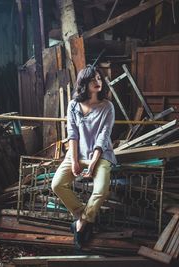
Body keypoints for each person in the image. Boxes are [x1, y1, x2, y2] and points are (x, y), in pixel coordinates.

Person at [51, 65, 117, 249]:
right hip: (76, 153)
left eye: (99, 78)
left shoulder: (107, 107)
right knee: (57, 184)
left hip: (101, 154)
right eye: (93, 79)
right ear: (84, 83)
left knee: (101, 189)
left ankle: (82, 223)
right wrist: (73, 161)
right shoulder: (73, 105)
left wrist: (94, 162)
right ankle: (82, 214)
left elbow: (104, 136)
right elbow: (72, 134)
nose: (98, 82)